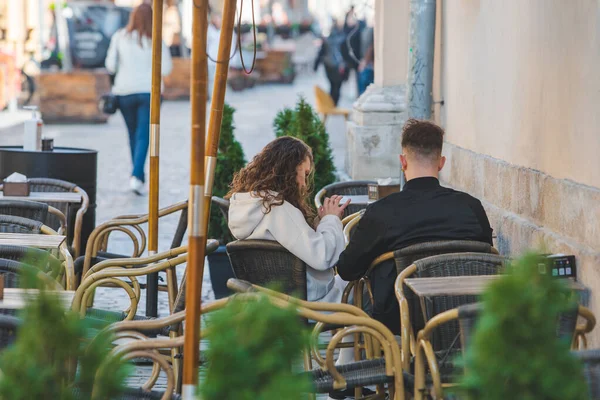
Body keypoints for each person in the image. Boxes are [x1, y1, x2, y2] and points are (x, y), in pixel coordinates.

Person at [337, 119, 494, 331]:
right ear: (441, 163)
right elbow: (488, 261)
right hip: (464, 317)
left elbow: (347, 269)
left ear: (403, 162)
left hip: (400, 323)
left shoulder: (382, 212)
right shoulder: (471, 207)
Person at [227, 136, 351, 303]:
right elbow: (323, 256)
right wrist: (331, 219)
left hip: (269, 302)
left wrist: (316, 226)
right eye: (304, 174)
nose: (305, 184)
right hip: (310, 303)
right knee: (363, 283)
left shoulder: (248, 205)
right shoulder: (277, 209)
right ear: (290, 169)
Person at [105, 4, 173, 195]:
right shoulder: (156, 40)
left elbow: (110, 65)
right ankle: (136, 175)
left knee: (133, 134)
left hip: (124, 91)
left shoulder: (120, 37)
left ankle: (137, 175)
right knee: (144, 134)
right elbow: (166, 68)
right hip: (149, 91)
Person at [314, 20, 348, 106]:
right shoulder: (342, 39)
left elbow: (321, 53)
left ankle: (332, 103)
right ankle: (333, 103)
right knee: (337, 86)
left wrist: (316, 66)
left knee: (333, 85)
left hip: (330, 65)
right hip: (338, 66)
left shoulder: (328, 40)